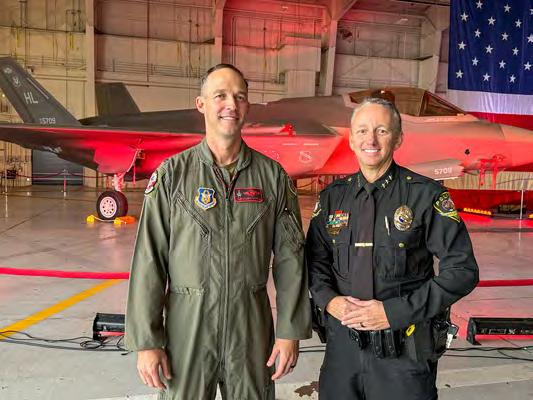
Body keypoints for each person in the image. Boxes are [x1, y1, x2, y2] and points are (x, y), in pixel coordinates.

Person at [125, 63, 311, 400]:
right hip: (187, 329)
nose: (231, 105)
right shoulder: (172, 176)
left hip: (250, 329)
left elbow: (290, 259)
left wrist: (289, 331)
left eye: (239, 97)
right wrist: (147, 342)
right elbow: (149, 260)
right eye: (220, 96)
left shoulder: (272, 178)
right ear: (201, 104)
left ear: (247, 106)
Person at [306, 97, 479, 399]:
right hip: (342, 352)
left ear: (398, 139)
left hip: (404, 350)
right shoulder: (333, 198)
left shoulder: (425, 196)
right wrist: (330, 302)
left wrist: (393, 312)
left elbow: (462, 271)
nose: (370, 140)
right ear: (351, 140)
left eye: (382, 131)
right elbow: (313, 262)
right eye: (362, 131)